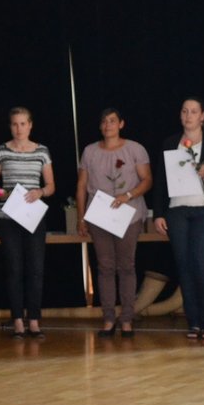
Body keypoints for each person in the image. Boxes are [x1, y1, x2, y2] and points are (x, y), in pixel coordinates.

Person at [152, 97, 204, 342]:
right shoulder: (170, 143)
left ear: (203, 116)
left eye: (193, 111)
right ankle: (194, 321)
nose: (188, 115)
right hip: (177, 211)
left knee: (201, 262)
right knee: (185, 266)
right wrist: (159, 213)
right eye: (184, 111)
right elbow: (161, 181)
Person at [75, 107, 152, 338]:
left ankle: (127, 319)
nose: (107, 125)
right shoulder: (90, 151)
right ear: (100, 126)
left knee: (126, 266)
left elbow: (147, 180)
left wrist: (128, 195)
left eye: (112, 121)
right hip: (99, 217)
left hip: (128, 216)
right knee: (105, 267)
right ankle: (108, 318)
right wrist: (81, 217)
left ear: (121, 124)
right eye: (104, 122)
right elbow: (81, 185)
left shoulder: (135, 149)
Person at [0, 106, 54, 339]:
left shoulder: (42, 151)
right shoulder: (0, 151)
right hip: (8, 217)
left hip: (33, 217)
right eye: (15, 124)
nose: (19, 128)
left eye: (23, 124)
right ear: (10, 126)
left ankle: (34, 321)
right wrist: (3, 193)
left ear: (30, 125)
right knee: (14, 269)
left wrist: (40, 192)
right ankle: (17, 322)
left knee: (36, 269)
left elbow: (51, 186)